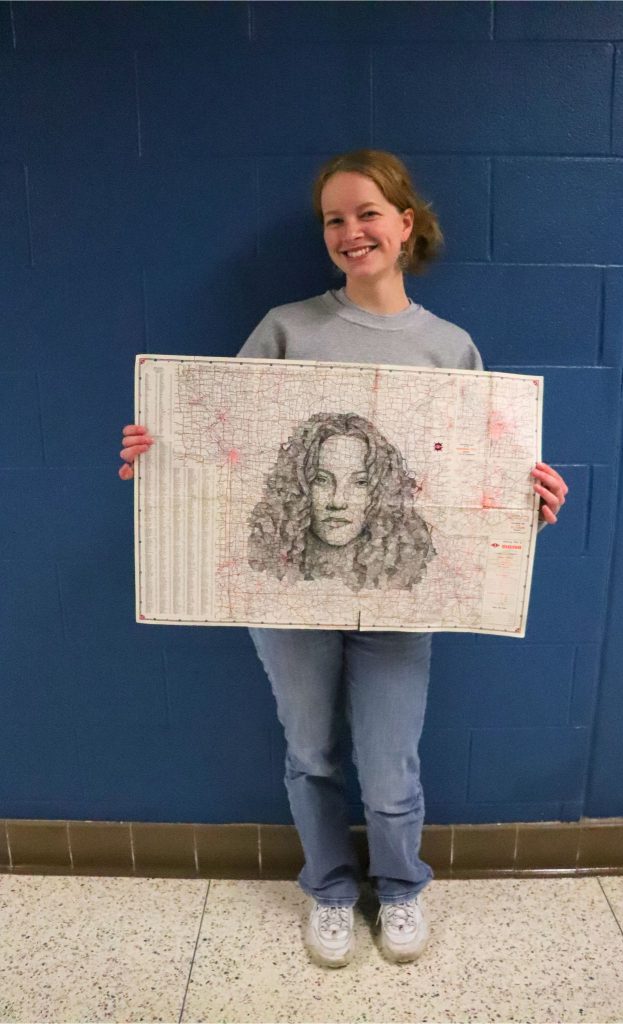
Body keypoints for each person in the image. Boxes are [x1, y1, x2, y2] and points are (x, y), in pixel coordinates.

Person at [119, 149, 568, 968]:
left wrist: (526, 504)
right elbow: (228, 451)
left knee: (390, 763)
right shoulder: (286, 328)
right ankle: (328, 889)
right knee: (311, 752)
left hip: (400, 598)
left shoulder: (450, 348)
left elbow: (466, 494)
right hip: (286, 599)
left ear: (406, 224)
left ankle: (400, 888)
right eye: (334, 218)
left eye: (367, 213)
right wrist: (158, 451)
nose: (350, 231)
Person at [247, 410, 436, 593]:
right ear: (297, 486)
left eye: (360, 482)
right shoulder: (268, 570)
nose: (337, 502)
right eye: (321, 480)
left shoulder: (406, 572)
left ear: (382, 492)